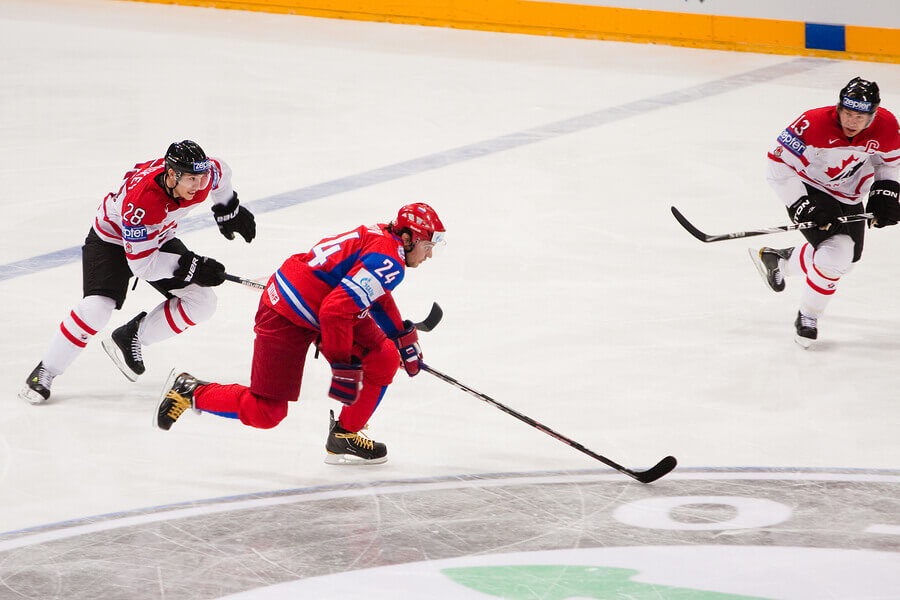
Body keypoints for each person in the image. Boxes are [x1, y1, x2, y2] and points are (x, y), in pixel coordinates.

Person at [155, 203, 446, 465]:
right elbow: (335, 312)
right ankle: (190, 390)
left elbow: (370, 294)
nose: (430, 254)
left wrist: (400, 335)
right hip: (286, 314)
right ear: (407, 237)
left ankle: (344, 435)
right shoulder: (391, 260)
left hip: (317, 302)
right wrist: (341, 362)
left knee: (382, 356)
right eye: (426, 245)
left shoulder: (384, 238)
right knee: (266, 412)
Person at [18, 140, 256, 404]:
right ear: (171, 174)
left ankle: (132, 335)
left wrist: (227, 209)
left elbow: (222, 171)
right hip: (111, 240)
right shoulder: (142, 203)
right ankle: (46, 370)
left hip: (156, 237)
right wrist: (192, 267)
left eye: (202, 178)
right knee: (97, 309)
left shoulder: (204, 175)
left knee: (203, 302)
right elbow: (143, 266)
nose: (199, 186)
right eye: (191, 179)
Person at [750, 77, 900, 347]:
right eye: (847, 113)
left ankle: (781, 260)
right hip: (811, 188)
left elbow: (888, 164)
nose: (852, 121)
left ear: (873, 115)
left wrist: (885, 192)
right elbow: (778, 165)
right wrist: (801, 204)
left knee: (847, 262)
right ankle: (808, 317)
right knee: (837, 252)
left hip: (850, 194)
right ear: (839, 107)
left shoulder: (887, 126)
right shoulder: (813, 123)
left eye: (860, 116)